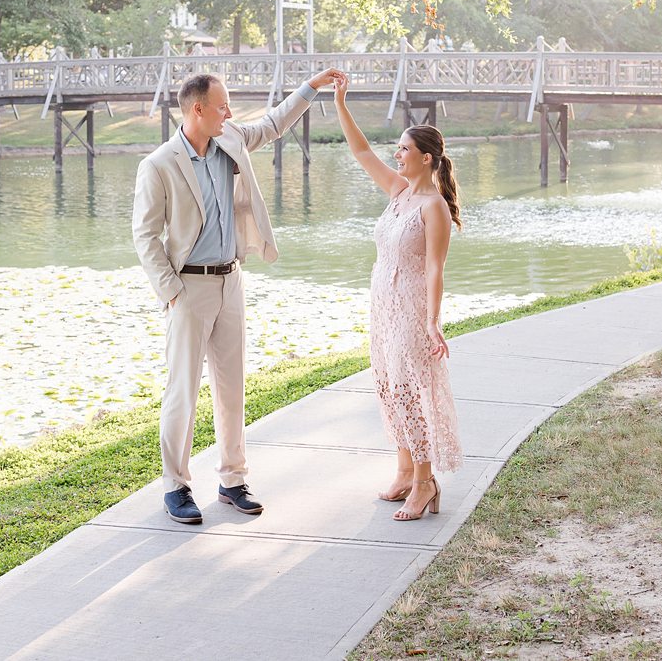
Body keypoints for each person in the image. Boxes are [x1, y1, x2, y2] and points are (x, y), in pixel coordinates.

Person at [132, 68, 343, 524]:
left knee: (232, 389)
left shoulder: (229, 139)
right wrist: (171, 292)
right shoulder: (159, 164)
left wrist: (312, 87)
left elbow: (272, 123)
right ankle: (176, 487)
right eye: (222, 105)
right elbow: (145, 236)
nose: (229, 112)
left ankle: (232, 479)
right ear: (197, 110)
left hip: (231, 282)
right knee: (182, 392)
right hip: (187, 288)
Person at [333, 72, 463, 522]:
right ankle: (405, 468)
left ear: (426, 159)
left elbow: (434, 269)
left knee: (412, 390)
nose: (397, 153)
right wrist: (341, 105)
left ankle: (426, 480)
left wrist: (432, 321)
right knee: (389, 387)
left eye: (405, 149)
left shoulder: (434, 207)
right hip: (381, 307)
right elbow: (361, 150)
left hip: (410, 308)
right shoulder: (397, 191)